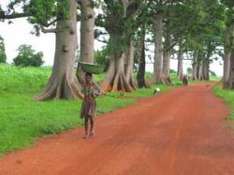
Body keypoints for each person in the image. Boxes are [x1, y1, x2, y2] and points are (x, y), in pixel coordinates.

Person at [80, 72, 101, 139]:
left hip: (92, 103)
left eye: (88, 77)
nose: (87, 78)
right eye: (86, 77)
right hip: (85, 102)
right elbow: (82, 92)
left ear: (91, 77)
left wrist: (96, 94)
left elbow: (99, 91)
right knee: (86, 118)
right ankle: (86, 133)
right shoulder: (84, 84)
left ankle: (92, 129)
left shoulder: (94, 84)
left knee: (91, 117)